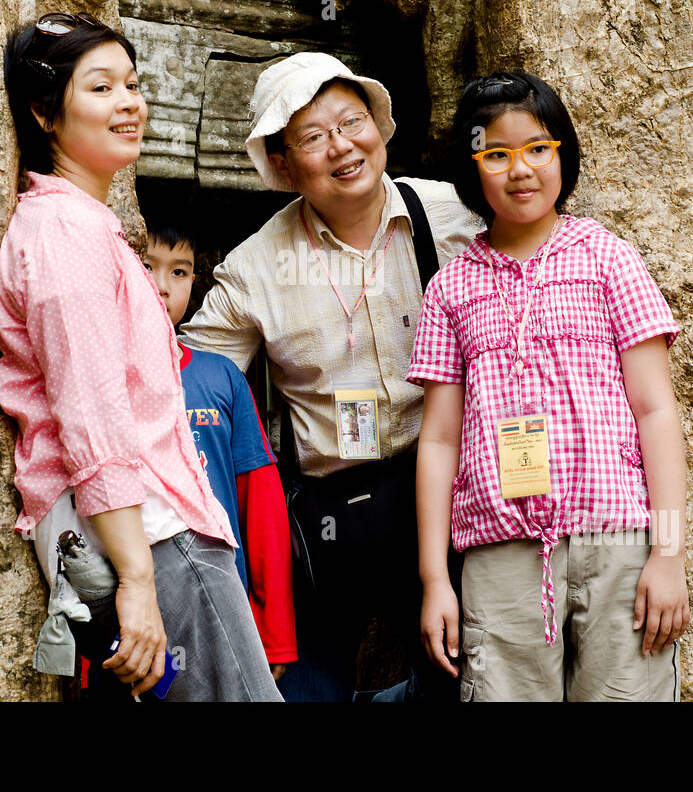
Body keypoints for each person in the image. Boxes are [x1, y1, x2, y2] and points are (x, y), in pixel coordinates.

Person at [0, 11, 281, 701]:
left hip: (146, 539)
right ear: (44, 113)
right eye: (100, 88)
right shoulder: (64, 234)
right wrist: (141, 583)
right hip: (151, 538)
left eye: (132, 83)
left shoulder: (87, 226)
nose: (129, 102)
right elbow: (91, 420)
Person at [179, 52, 484, 701]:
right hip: (325, 521)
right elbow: (191, 383)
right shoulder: (256, 268)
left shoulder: (453, 215)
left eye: (352, 121)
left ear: (378, 126)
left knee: (464, 684)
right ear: (284, 162)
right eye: (314, 137)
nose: (342, 146)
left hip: (439, 495)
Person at [408, 70, 690, 701]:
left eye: (538, 149)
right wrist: (435, 580)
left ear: (563, 152)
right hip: (499, 551)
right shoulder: (450, 288)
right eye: (497, 154)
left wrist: (668, 555)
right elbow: (438, 441)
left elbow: (656, 412)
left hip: (619, 542)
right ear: (471, 166)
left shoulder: (609, 259)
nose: (521, 170)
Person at [140, 217, 298, 678]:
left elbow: (261, 503)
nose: (162, 286)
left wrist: (274, 634)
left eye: (179, 271)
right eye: (147, 265)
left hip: (224, 597)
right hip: (135, 604)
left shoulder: (220, 376)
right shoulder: (103, 377)